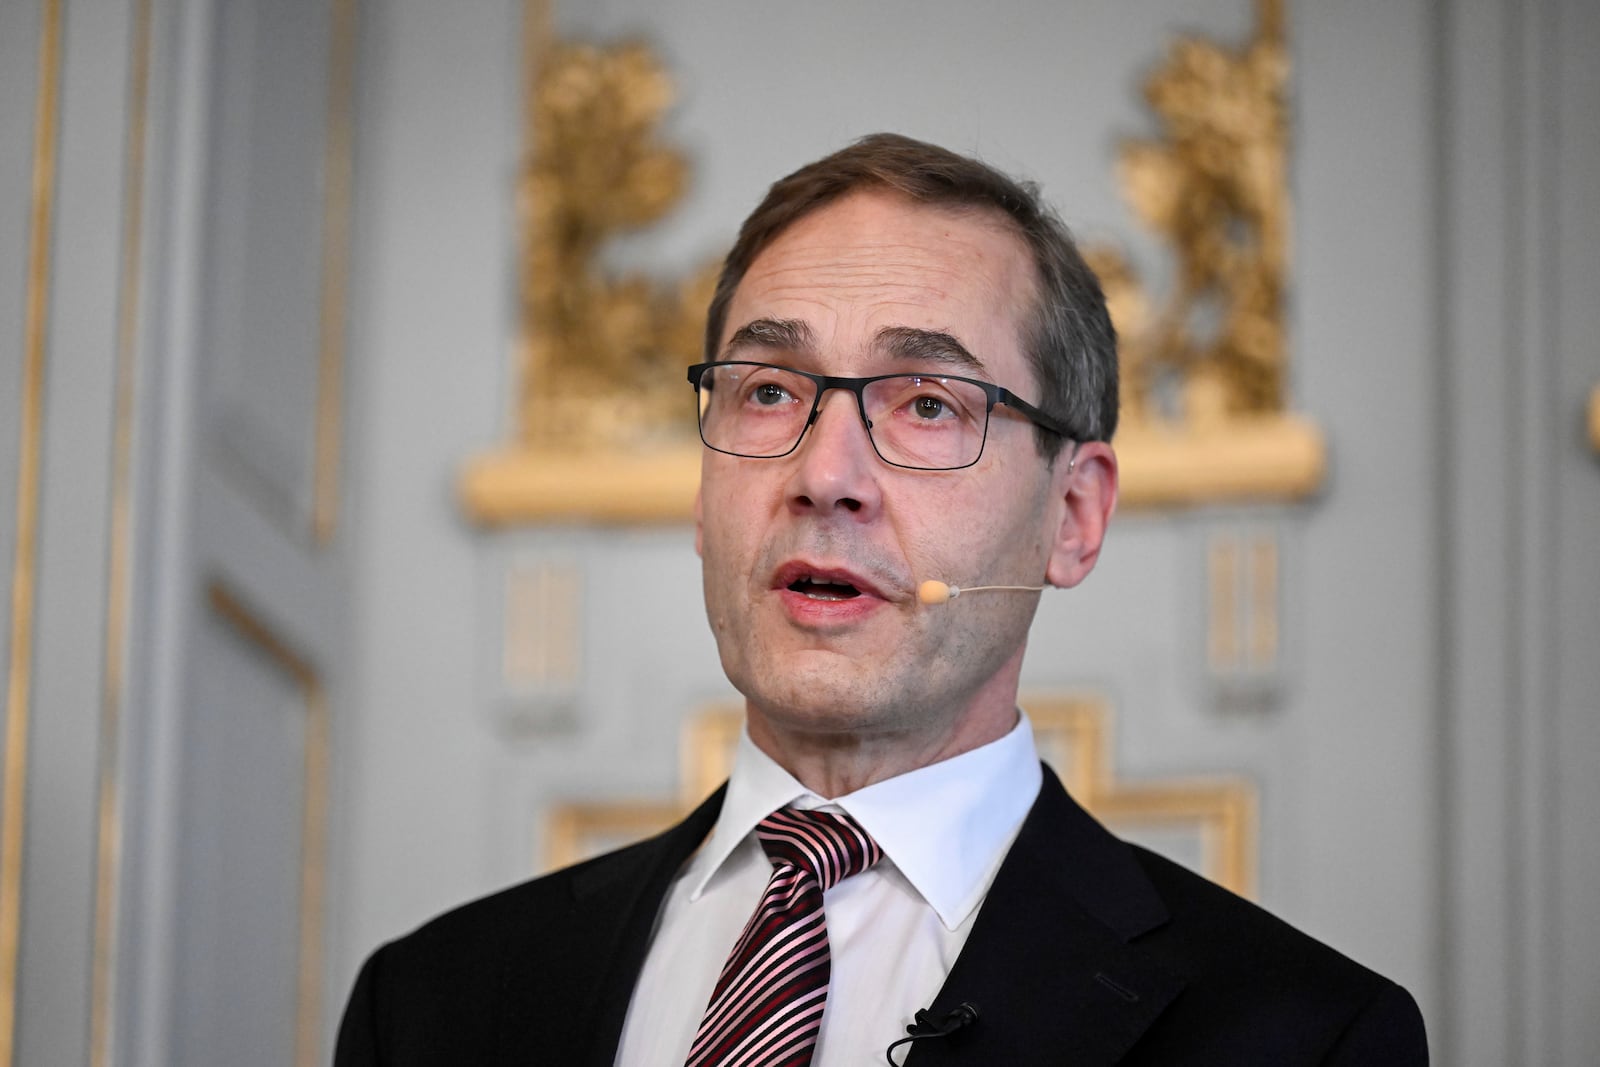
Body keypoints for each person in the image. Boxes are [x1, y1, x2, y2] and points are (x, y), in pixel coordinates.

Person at [335, 133, 1428, 1065]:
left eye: (926, 403)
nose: (824, 473)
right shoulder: (432, 1000)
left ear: (1074, 514)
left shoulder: (1301, 1032)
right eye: (768, 391)